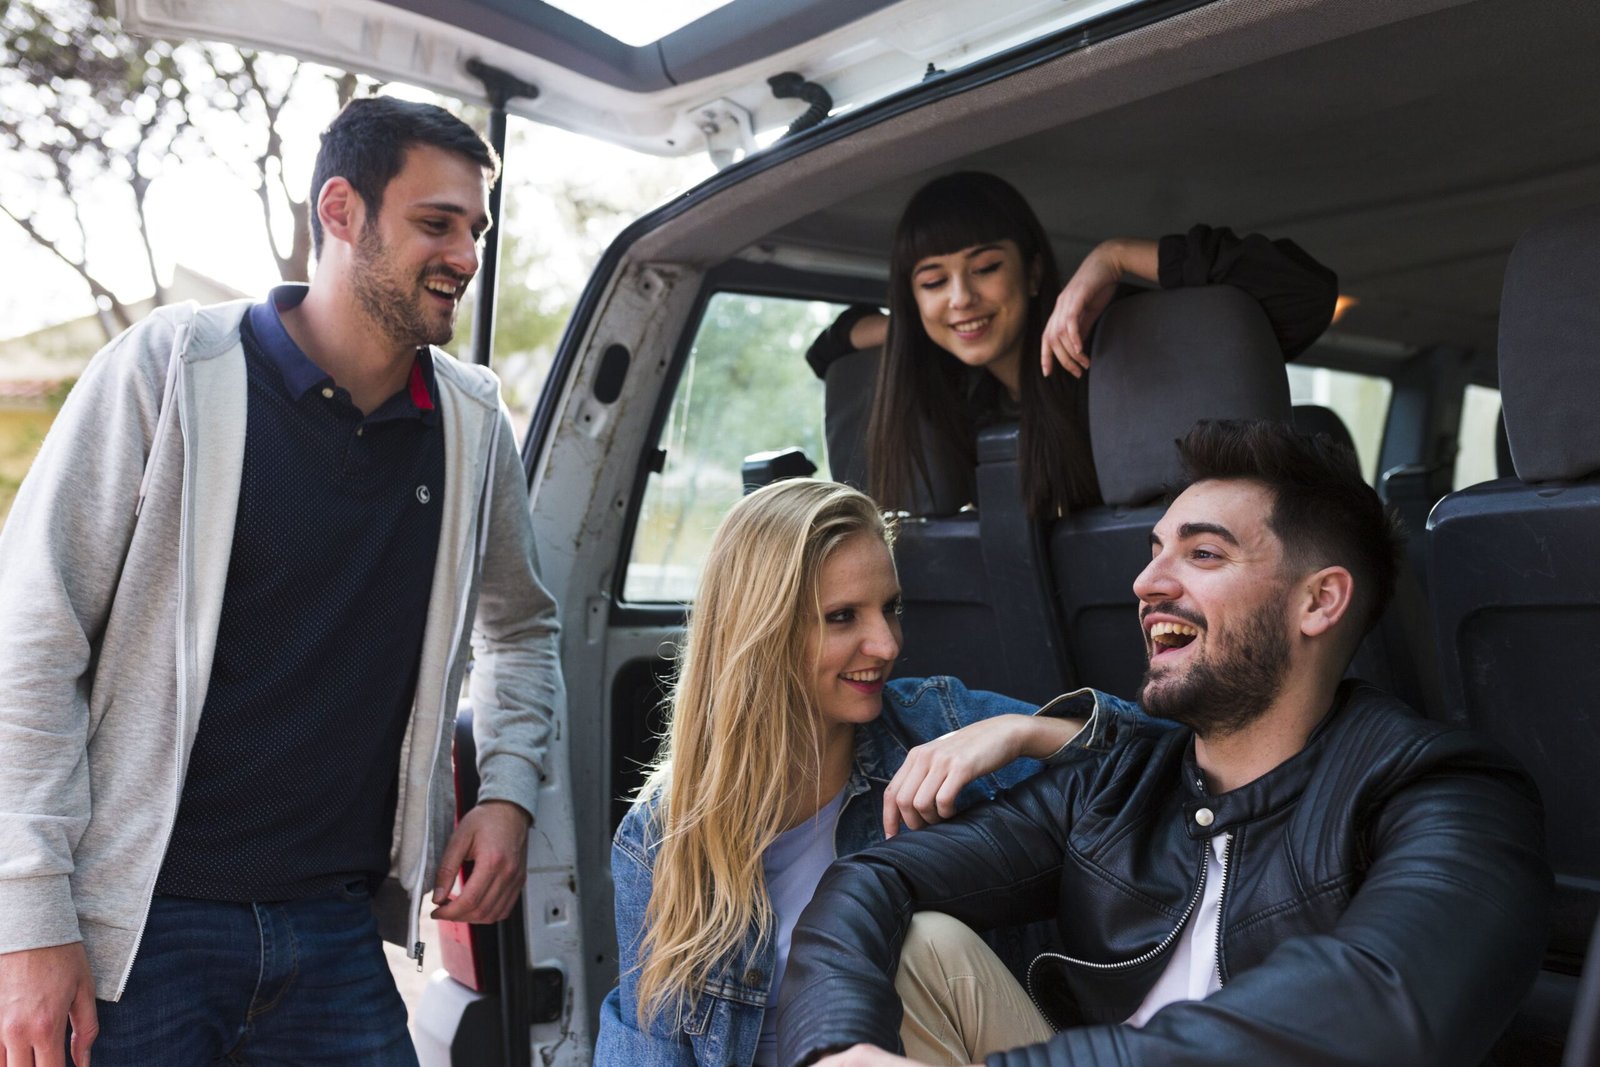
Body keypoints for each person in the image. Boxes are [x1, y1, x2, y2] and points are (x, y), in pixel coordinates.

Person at [0, 96, 565, 1066]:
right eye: (437, 222)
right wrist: (27, 915)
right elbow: (32, 638)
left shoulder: (473, 425)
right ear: (341, 211)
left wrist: (508, 792)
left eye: (475, 228)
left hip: (337, 930)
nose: (467, 255)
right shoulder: (169, 368)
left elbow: (522, 627)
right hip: (141, 928)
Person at [776, 419, 1551, 1067]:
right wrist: (837, 1047)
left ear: (1319, 600)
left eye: (1203, 553)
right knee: (922, 942)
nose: (1148, 581)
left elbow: (1380, 1002)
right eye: (1154, 550)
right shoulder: (1119, 782)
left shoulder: (1449, 793)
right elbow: (873, 877)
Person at [595, 478, 1136, 1066]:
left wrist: (1025, 732)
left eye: (891, 609)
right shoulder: (660, 836)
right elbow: (648, 1044)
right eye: (843, 616)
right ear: (762, 632)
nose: (885, 644)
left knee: (921, 941)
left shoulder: (934, 723)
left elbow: (1168, 760)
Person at [804, 171, 1337, 516]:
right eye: (932, 282)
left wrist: (1115, 257)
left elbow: (1302, 294)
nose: (961, 298)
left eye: (986, 268)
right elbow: (828, 351)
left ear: (1034, 274)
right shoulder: (965, 395)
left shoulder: (1118, 346)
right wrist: (921, 329)